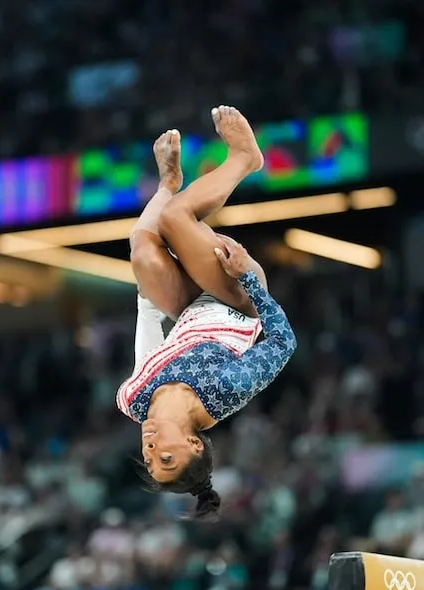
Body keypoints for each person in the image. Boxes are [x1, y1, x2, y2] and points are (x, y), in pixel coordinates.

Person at [116, 106, 297, 520]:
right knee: (176, 217)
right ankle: (244, 160)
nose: (152, 451)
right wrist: (246, 279)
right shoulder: (223, 392)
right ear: (194, 445)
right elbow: (284, 342)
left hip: (189, 309)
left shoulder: (134, 400)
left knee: (142, 248)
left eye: (149, 461)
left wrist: (148, 293)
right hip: (238, 300)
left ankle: (168, 182)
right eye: (166, 459)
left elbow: (150, 356)